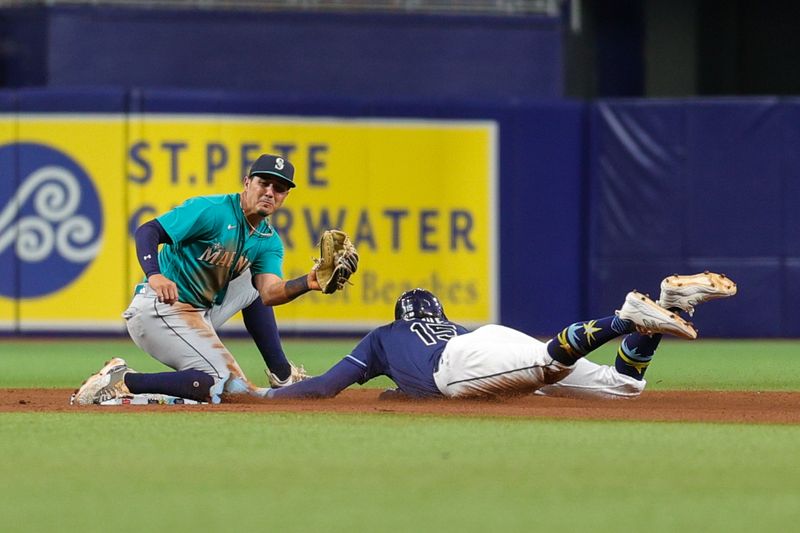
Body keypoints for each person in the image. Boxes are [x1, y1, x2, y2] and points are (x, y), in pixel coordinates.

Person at [72, 154, 322, 405]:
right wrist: (154, 274)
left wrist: (308, 282)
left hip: (199, 312)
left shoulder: (268, 240)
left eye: (278, 188)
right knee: (225, 384)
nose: (270, 192)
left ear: (285, 196)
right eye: (263, 183)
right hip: (160, 308)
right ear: (247, 183)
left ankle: (282, 375)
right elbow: (148, 231)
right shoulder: (212, 211)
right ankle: (123, 380)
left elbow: (270, 293)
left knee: (254, 283)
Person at [264, 272, 736, 400]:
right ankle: (668, 306)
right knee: (626, 387)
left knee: (552, 361)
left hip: (456, 367)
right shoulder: (451, 325)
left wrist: (266, 394)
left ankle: (627, 319)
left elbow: (326, 387)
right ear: (437, 312)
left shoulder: (383, 336)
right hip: (486, 340)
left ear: (399, 315)